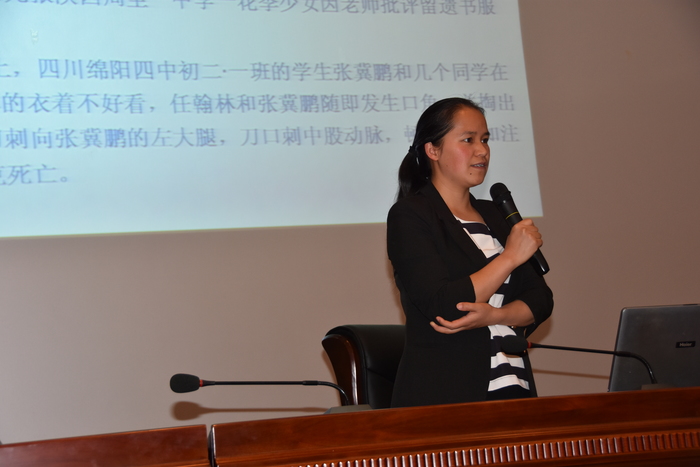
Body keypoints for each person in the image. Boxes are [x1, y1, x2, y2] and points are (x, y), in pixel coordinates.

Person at [387, 97, 553, 407]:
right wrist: (510, 258)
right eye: (468, 140)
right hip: (448, 395)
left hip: (514, 388)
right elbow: (445, 305)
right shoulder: (411, 215)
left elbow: (541, 300)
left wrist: (496, 315)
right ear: (433, 150)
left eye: (485, 139)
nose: (482, 150)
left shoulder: (495, 215)